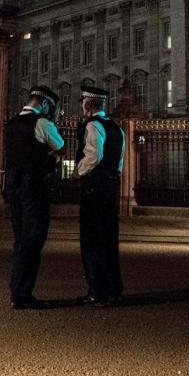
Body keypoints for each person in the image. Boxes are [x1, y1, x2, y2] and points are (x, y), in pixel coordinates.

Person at [3, 85, 65, 310]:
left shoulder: (11, 123)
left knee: (20, 238)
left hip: (12, 186)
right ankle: (22, 294)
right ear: (45, 104)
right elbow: (60, 147)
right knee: (33, 238)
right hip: (33, 186)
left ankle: (16, 287)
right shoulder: (42, 123)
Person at [71, 85, 125, 306]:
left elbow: (94, 154)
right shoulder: (116, 127)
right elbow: (120, 160)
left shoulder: (93, 125)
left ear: (88, 104)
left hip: (95, 186)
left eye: (83, 102)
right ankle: (113, 288)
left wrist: (78, 172)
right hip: (111, 184)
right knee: (109, 238)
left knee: (92, 239)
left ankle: (97, 291)